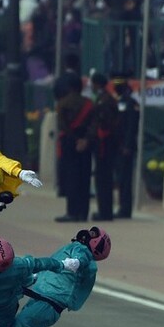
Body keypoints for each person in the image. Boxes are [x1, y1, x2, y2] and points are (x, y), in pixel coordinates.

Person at [54, 72, 95, 223]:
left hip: (70, 142)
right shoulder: (89, 103)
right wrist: (84, 140)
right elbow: (94, 125)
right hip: (86, 143)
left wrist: (75, 139)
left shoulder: (63, 103)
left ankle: (72, 211)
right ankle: (83, 212)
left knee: (71, 177)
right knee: (84, 177)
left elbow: (62, 125)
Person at [89, 73, 120, 221]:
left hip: (105, 145)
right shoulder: (106, 98)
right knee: (102, 179)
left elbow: (105, 123)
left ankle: (105, 211)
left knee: (103, 179)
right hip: (105, 144)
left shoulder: (105, 101)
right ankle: (104, 210)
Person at [112, 77, 140, 219]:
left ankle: (125, 208)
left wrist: (127, 145)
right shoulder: (118, 102)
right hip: (117, 146)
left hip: (125, 147)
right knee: (120, 179)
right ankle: (122, 206)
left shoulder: (130, 103)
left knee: (125, 179)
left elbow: (131, 127)